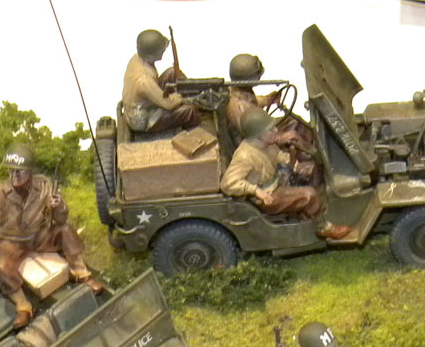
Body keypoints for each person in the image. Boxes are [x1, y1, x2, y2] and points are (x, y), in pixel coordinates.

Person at [0, 143, 102, 329]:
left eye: (19, 171)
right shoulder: (0, 194)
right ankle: (23, 306)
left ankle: (82, 274)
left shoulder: (44, 186)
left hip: (39, 235)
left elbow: (60, 219)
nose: (14, 176)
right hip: (13, 242)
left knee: (66, 230)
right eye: (11, 171)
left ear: (30, 172)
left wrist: (58, 206)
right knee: (1, 267)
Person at [220, 110, 349, 240]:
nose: (275, 130)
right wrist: (256, 191)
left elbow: (278, 155)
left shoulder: (266, 144)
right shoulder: (245, 156)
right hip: (268, 196)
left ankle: (306, 213)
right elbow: (228, 184)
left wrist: (294, 164)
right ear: (258, 135)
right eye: (270, 130)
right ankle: (323, 227)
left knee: (314, 173)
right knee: (310, 195)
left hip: (278, 180)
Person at [121, 29, 200, 134]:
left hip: (145, 102)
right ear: (151, 56)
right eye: (161, 51)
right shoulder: (144, 80)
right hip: (145, 119)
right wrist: (181, 98)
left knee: (172, 72)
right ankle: (193, 134)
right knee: (190, 111)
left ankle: (191, 92)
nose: (163, 52)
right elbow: (168, 104)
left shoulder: (137, 58)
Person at [224, 53, 283, 139]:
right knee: (294, 125)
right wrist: (280, 137)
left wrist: (268, 100)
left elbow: (252, 102)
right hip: (254, 138)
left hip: (259, 131)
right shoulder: (239, 106)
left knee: (293, 122)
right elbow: (255, 133)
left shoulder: (240, 92)